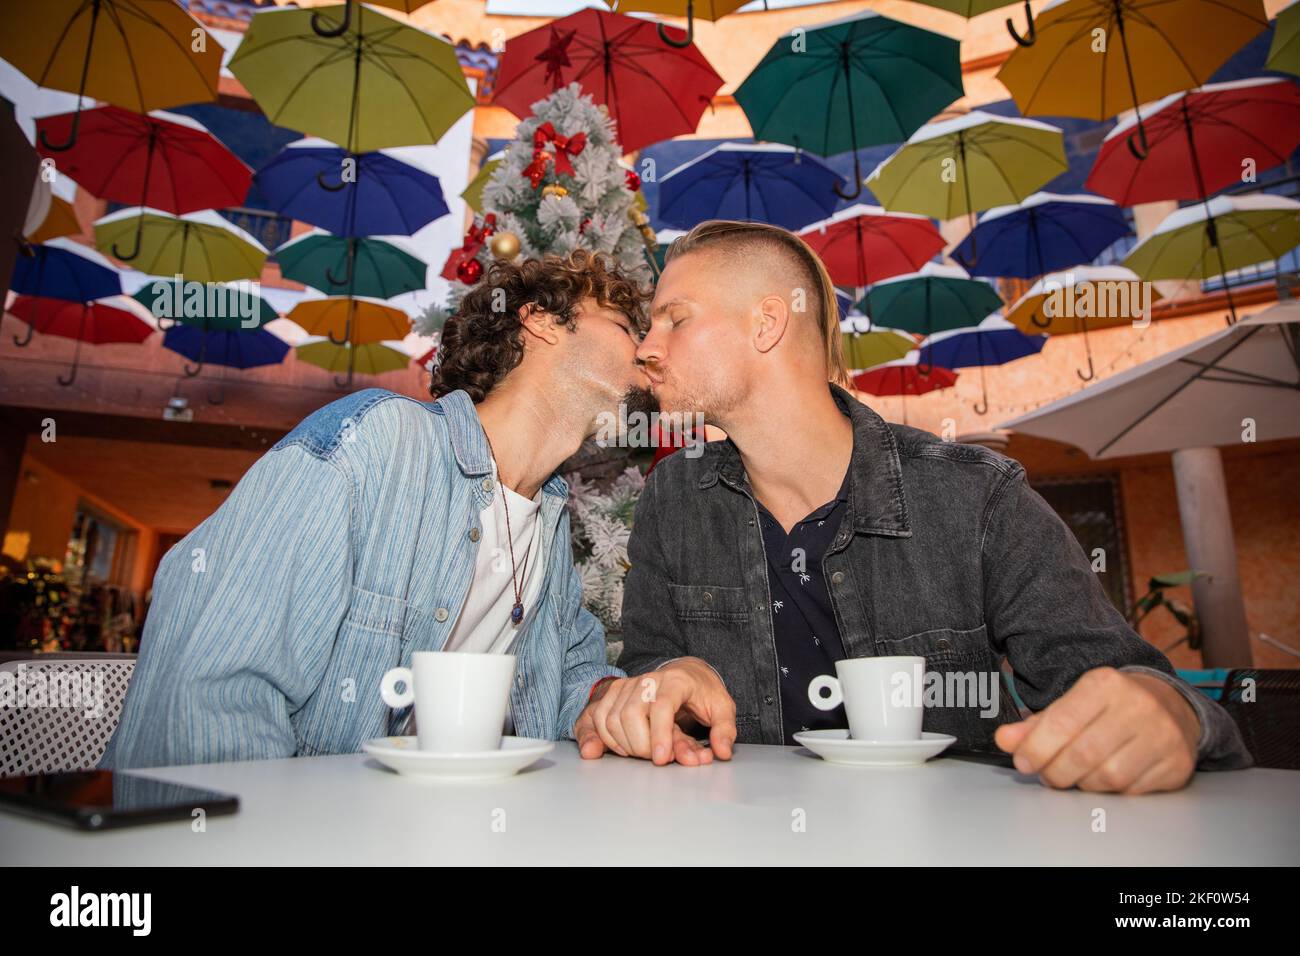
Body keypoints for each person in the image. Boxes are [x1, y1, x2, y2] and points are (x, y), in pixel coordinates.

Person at [575, 220, 1254, 794]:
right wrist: (664, 680)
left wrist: (1165, 712)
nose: (646, 347)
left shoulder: (975, 495)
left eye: (674, 318)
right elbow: (647, 672)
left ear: (767, 323)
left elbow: (1121, 676)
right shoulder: (674, 500)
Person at [101, 249, 696, 768]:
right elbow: (208, 692)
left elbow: (568, 675)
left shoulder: (547, 515)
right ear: (538, 321)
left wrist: (605, 705)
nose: (647, 350)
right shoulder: (377, 444)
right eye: (624, 325)